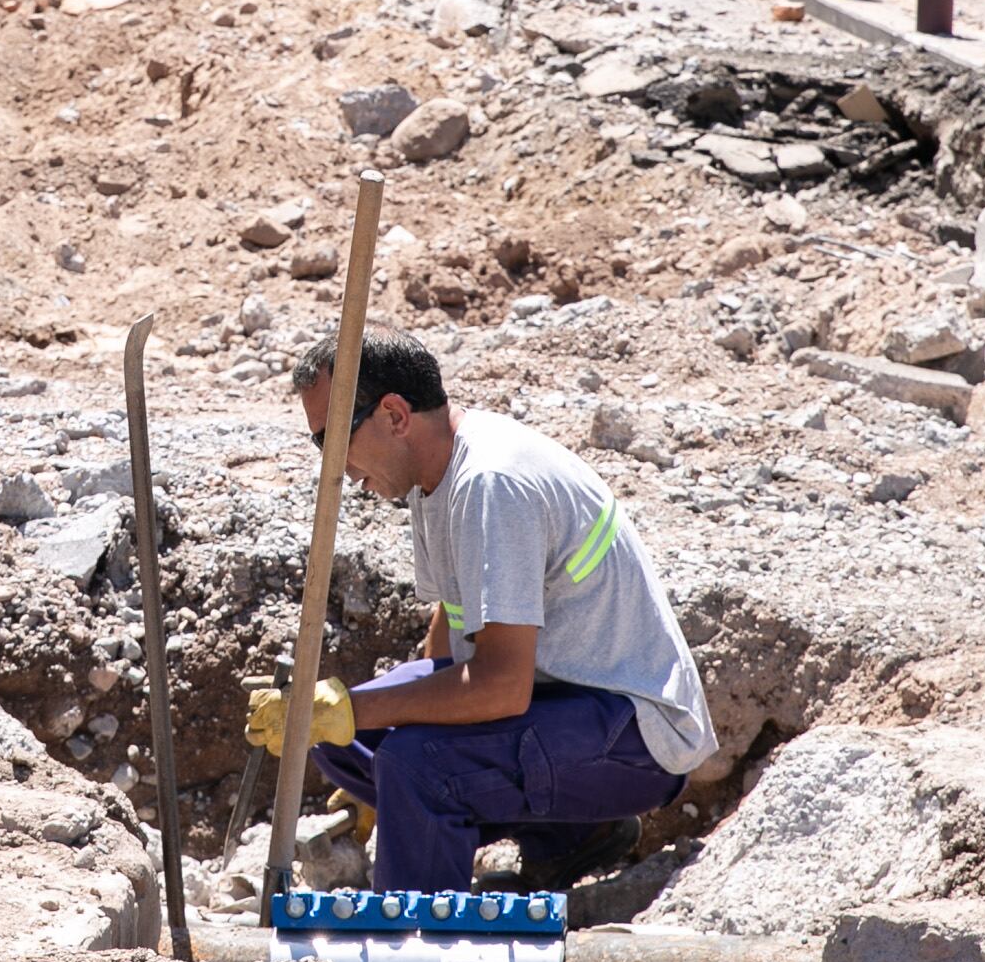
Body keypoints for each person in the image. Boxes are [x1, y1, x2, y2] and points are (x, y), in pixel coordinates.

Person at [244, 328, 717, 895]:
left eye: (332, 440)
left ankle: (418, 950)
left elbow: (499, 689)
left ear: (394, 414)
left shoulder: (492, 483)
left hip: (636, 733)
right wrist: (367, 750)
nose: (336, 468)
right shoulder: (432, 475)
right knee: (340, 737)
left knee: (415, 764)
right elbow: (457, 619)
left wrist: (388, 753)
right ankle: (569, 837)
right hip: (565, 700)